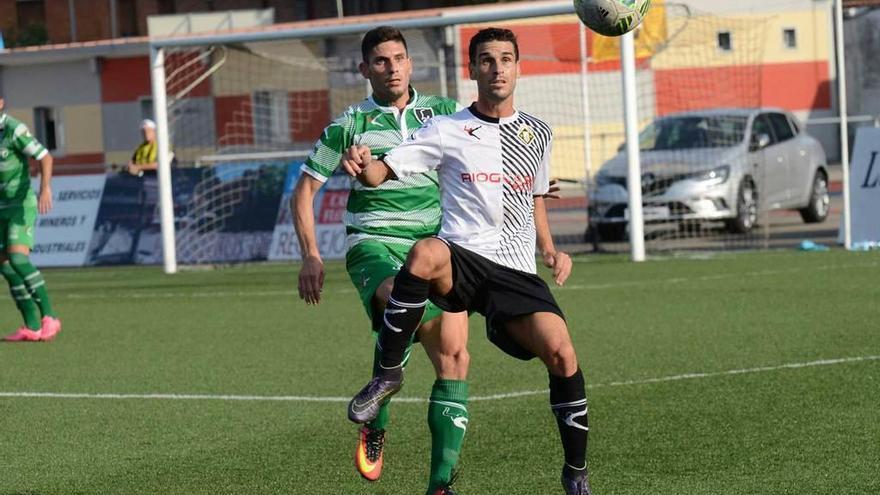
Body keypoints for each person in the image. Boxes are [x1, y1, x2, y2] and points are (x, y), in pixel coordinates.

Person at [343, 28, 592, 495]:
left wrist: (551, 248)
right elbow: (383, 171)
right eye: (486, 60)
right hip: (461, 260)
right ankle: (388, 375)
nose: (497, 69)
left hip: (515, 273)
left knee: (563, 356)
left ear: (519, 66)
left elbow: (535, 194)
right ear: (472, 69)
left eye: (505, 59)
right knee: (424, 252)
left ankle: (575, 472)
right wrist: (362, 163)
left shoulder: (538, 133)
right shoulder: (446, 128)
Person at [291, 26, 470, 495]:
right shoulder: (349, 125)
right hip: (374, 243)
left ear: (411, 64)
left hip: (435, 245)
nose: (391, 68)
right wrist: (311, 255)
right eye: (381, 61)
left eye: (399, 59)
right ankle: (376, 427)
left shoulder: (446, 113)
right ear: (364, 69)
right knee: (398, 303)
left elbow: (484, 149)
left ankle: (440, 485)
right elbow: (305, 191)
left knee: (454, 358)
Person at [0, 92, 62, 342]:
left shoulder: (14, 129)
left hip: (20, 203)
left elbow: (45, 156)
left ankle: (50, 316)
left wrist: (45, 187)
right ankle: (32, 326)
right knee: (4, 264)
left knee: (17, 257)